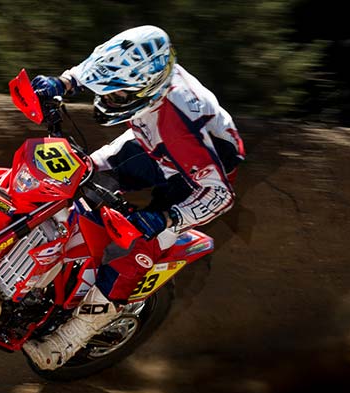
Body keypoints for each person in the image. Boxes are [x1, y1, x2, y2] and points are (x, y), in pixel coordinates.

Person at [23, 25, 244, 370]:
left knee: (136, 249)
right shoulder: (139, 67)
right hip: (152, 140)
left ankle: (72, 337)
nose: (106, 100)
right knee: (74, 175)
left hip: (198, 177)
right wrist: (63, 83)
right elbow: (98, 65)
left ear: (148, 91)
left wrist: (169, 218)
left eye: (117, 96)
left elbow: (220, 195)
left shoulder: (181, 123)